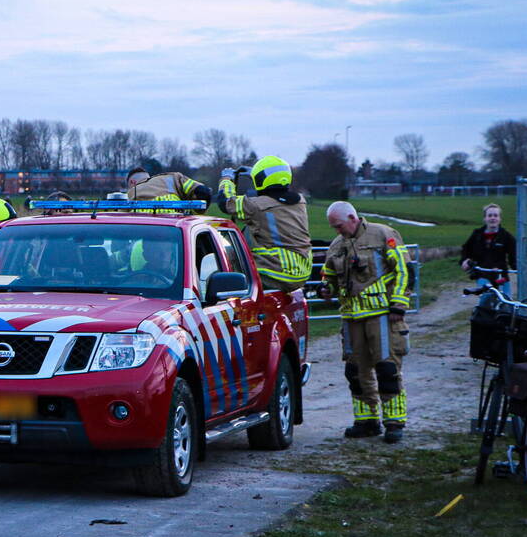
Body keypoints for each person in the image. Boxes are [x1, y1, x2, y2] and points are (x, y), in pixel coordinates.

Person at [320, 201, 411, 444]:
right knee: (355, 372)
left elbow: (403, 269)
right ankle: (367, 421)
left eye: (339, 226)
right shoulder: (336, 245)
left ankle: (394, 422)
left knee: (387, 369)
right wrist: (327, 288)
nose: (337, 231)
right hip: (351, 318)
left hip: (382, 314)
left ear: (352, 217)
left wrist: (398, 304)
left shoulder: (383, 234)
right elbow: (328, 274)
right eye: (334, 228)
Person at [215, 155, 312, 292]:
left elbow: (225, 202)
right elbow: (275, 197)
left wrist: (227, 178)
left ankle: (232, 271)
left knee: (244, 232)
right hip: (301, 273)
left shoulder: (255, 206)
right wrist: (254, 173)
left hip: (276, 274)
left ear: (260, 180)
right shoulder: (300, 202)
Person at [460, 203, 516, 295]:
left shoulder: (506, 236)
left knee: (506, 301)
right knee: (486, 298)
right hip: (483, 273)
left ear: (499, 219)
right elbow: (466, 249)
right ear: (485, 218)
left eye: (495, 215)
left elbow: (513, 255)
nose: (492, 218)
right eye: (489, 215)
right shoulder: (477, 235)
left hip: (501, 275)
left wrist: (517, 269)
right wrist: (464, 260)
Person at [126, 167, 212, 212]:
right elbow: (202, 191)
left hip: (144, 227)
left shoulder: (130, 194)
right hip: (176, 221)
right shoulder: (172, 178)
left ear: (132, 182)